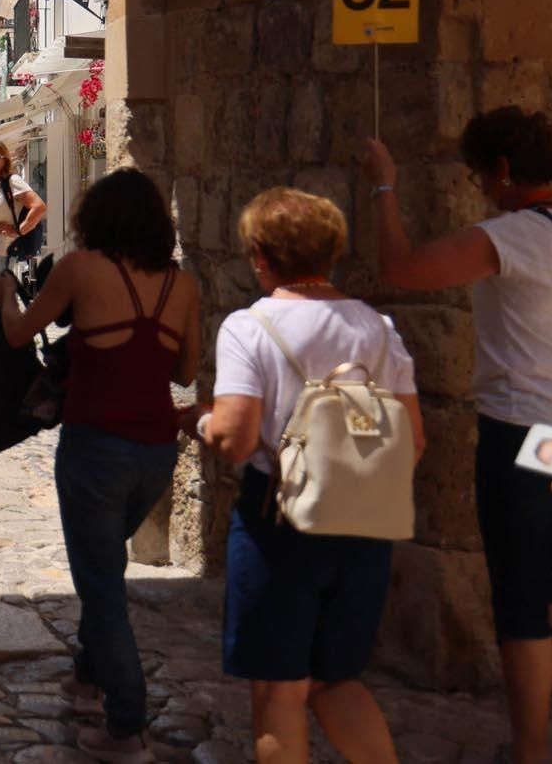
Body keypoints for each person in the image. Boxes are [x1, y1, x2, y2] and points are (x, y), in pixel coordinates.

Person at [363, 107, 552, 764]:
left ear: (500, 170)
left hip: (527, 429)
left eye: (477, 176)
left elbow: (401, 268)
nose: (479, 189)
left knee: (519, 593)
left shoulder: (509, 236)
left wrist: (384, 184)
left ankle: (529, 750)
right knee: (536, 578)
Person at [188, 187, 424, 764]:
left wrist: (199, 424)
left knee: (279, 690)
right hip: (364, 525)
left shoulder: (250, 328)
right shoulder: (377, 328)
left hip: (280, 520)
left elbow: (238, 437)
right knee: (336, 680)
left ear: (261, 255)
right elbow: (413, 439)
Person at [0, 169, 203, 763]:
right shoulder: (182, 286)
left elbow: (19, 336)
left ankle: (127, 724)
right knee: (104, 564)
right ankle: (87, 674)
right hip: (157, 453)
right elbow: (184, 372)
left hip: (95, 448)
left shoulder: (80, 269)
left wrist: (7, 296)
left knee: (102, 584)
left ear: (98, 217)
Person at [0, 140, 47, 326]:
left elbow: (39, 207)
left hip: (0, 250)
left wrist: (18, 230)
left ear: (4, 160)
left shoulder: (12, 182)